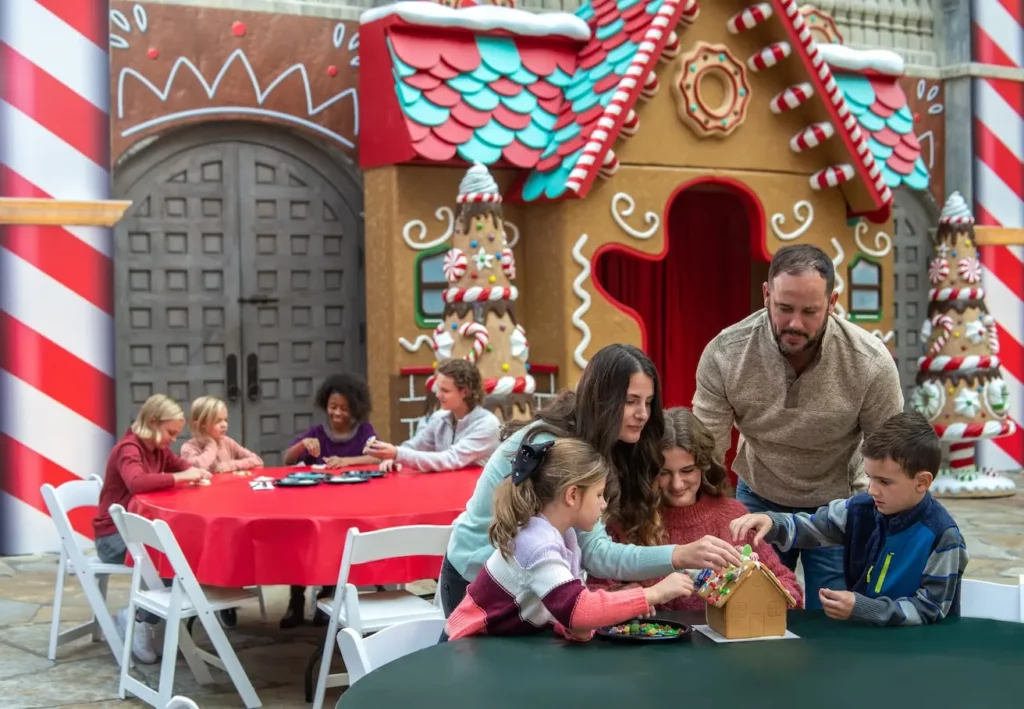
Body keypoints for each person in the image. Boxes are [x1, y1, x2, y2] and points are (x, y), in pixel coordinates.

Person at [438, 343, 743, 617]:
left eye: (648, 402)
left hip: (526, 586)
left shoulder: (599, 439)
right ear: (603, 400)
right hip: (476, 583)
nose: (643, 414)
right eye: (631, 401)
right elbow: (597, 554)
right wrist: (680, 554)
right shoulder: (563, 448)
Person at [693, 243, 904, 608]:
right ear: (766, 294)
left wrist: (887, 525)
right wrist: (705, 517)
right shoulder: (726, 353)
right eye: (784, 308)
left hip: (838, 504)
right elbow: (705, 449)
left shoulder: (870, 363)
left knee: (834, 615)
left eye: (810, 312)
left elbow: (892, 453)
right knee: (751, 609)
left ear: (833, 301)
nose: (794, 323)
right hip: (757, 495)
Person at [729, 412, 968, 625]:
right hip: (867, 642)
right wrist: (773, 522)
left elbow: (930, 609)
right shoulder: (861, 508)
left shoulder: (942, 536)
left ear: (922, 481)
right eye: (870, 477)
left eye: (884, 482)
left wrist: (864, 608)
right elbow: (814, 525)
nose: (872, 490)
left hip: (918, 654)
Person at [444, 438, 694, 641]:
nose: (603, 504)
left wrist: (592, 617)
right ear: (572, 495)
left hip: (502, 647)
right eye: (599, 494)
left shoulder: (565, 536)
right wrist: (654, 594)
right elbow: (580, 610)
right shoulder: (537, 544)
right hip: (470, 649)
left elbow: (568, 610)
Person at [588, 407, 802, 609]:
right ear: (647, 472)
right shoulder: (626, 521)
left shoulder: (732, 516)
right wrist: (626, 595)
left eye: (687, 470)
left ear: (704, 466)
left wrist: (754, 595)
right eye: (663, 473)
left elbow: (789, 589)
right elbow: (593, 592)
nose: (677, 484)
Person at [92, 394, 211, 664]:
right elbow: (137, 482)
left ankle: (148, 619)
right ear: (153, 422)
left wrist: (199, 472)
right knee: (171, 557)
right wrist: (182, 477)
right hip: (112, 539)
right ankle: (138, 618)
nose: (173, 439)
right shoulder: (129, 449)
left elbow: (184, 467)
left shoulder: (158, 449)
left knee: (177, 553)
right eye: (170, 432)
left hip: (134, 533)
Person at [280, 373, 380, 628]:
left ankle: (328, 597)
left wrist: (347, 461)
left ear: (355, 408)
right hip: (313, 508)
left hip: (349, 508)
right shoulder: (317, 433)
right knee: (301, 543)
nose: (337, 413)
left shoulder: (363, 432)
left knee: (336, 546)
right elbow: (287, 460)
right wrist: (303, 445)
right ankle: (296, 598)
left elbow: (377, 457)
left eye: (344, 408)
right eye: (333, 407)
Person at [363, 358, 500, 472]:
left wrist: (397, 453)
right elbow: (414, 446)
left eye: (445, 390)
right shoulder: (439, 418)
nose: (437, 395)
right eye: (438, 388)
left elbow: (450, 459)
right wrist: (391, 458)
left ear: (464, 392)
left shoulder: (488, 425)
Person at [180, 396, 263, 472]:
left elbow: (257, 461)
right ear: (200, 425)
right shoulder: (189, 448)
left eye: (225, 420)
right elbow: (194, 469)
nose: (224, 425)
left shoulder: (228, 442)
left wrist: (231, 465)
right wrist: (211, 445)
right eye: (218, 421)